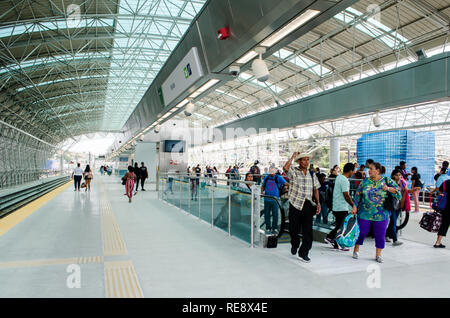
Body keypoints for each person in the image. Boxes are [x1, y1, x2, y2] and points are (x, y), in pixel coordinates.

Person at [352, 162, 401, 263]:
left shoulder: (387, 180)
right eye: (368, 169)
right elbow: (357, 195)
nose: (368, 171)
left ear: (378, 171)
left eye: (371, 169)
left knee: (380, 234)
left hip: (382, 214)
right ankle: (356, 250)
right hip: (364, 212)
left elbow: (398, 192)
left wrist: (387, 188)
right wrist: (354, 206)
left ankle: (378, 255)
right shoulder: (365, 181)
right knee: (361, 232)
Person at [283, 152, 320, 263]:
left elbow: (316, 189)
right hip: (295, 204)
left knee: (308, 231)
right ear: (299, 161)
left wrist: (318, 203)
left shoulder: (312, 174)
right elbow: (285, 168)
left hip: (308, 204)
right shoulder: (294, 171)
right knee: (294, 229)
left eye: (307, 159)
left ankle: (304, 253)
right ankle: (295, 243)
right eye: (303, 159)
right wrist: (293, 156)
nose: (306, 162)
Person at [325, 163, 357, 250]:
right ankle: (331, 238)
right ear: (350, 171)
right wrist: (353, 205)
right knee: (342, 227)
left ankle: (335, 242)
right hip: (342, 207)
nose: (353, 172)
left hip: (336, 206)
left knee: (339, 225)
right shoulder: (344, 180)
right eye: (353, 170)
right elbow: (346, 195)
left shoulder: (339, 177)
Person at [386, 169, 415, 246]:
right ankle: (395, 240)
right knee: (394, 221)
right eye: (397, 175)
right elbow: (388, 192)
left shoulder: (402, 183)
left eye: (400, 175)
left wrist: (413, 190)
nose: (398, 177)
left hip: (399, 205)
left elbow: (406, 191)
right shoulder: (390, 184)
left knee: (393, 222)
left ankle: (386, 235)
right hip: (392, 205)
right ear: (393, 176)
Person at [261, 167, 287, 235]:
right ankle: (268, 228)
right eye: (271, 172)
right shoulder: (266, 177)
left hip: (275, 199)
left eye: (272, 172)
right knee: (267, 214)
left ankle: (274, 228)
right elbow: (263, 186)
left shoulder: (278, 177)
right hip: (267, 198)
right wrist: (262, 192)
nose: (271, 173)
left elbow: (286, 183)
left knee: (275, 214)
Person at [434, 178, 450, 248]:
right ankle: (438, 242)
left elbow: (439, 192)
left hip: (444, 207)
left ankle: (438, 242)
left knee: (444, 224)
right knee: (445, 224)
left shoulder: (446, 182)